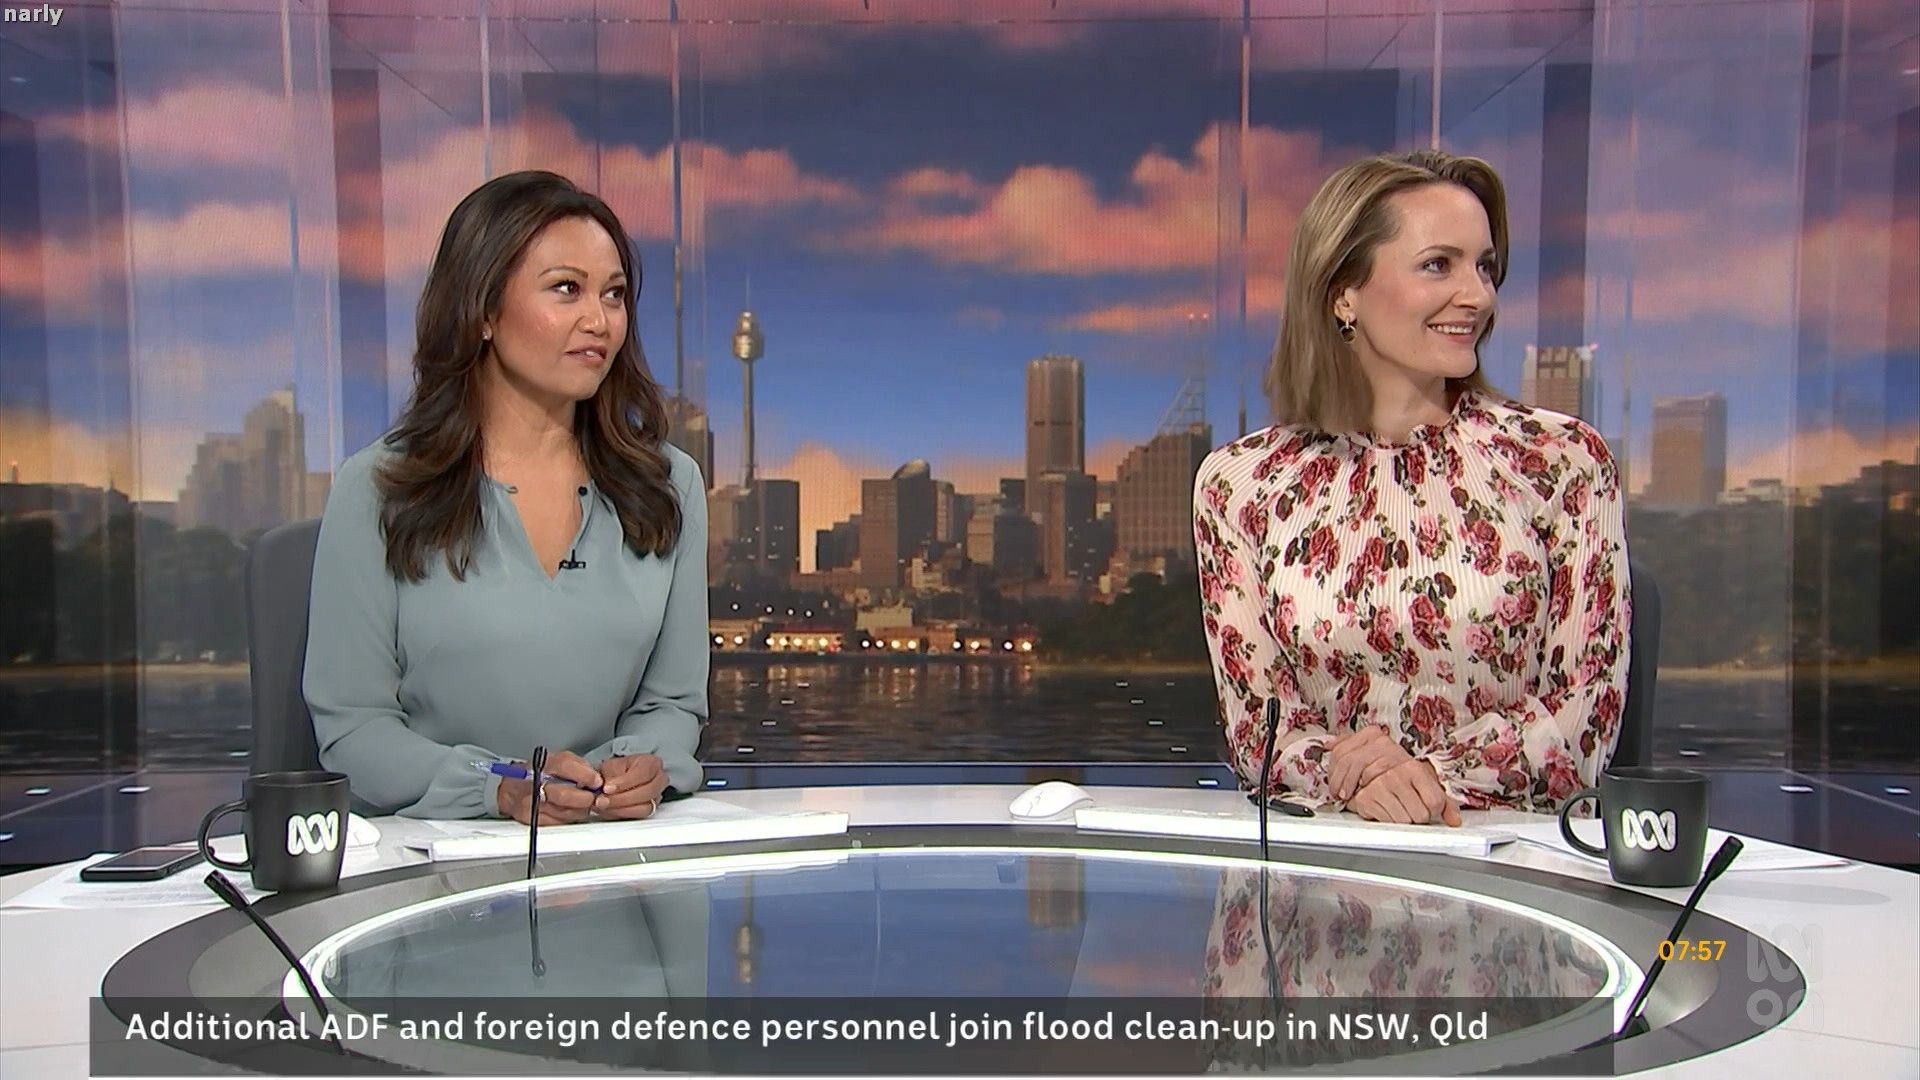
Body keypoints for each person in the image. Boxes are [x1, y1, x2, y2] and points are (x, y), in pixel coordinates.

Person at [1193, 149, 1628, 824]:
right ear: (1344, 292)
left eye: (1485, 267)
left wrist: (1427, 778)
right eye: (1438, 265)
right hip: (1327, 859)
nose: (1478, 296)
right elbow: (1260, 732)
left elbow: (1586, 712)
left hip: (1505, 857)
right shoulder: (1241, 485)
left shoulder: (1561, 461)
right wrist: (1348, 778)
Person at [305, 170, 707, 823]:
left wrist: (641, 766)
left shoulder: (669, 485)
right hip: (434, 857)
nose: (599, 321)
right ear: (484, 310)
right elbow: (355, 730)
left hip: (610, 846)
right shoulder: (378, 488)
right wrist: (498, 787)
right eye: (566, 289)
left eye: (613, 294)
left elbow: (674, 704)